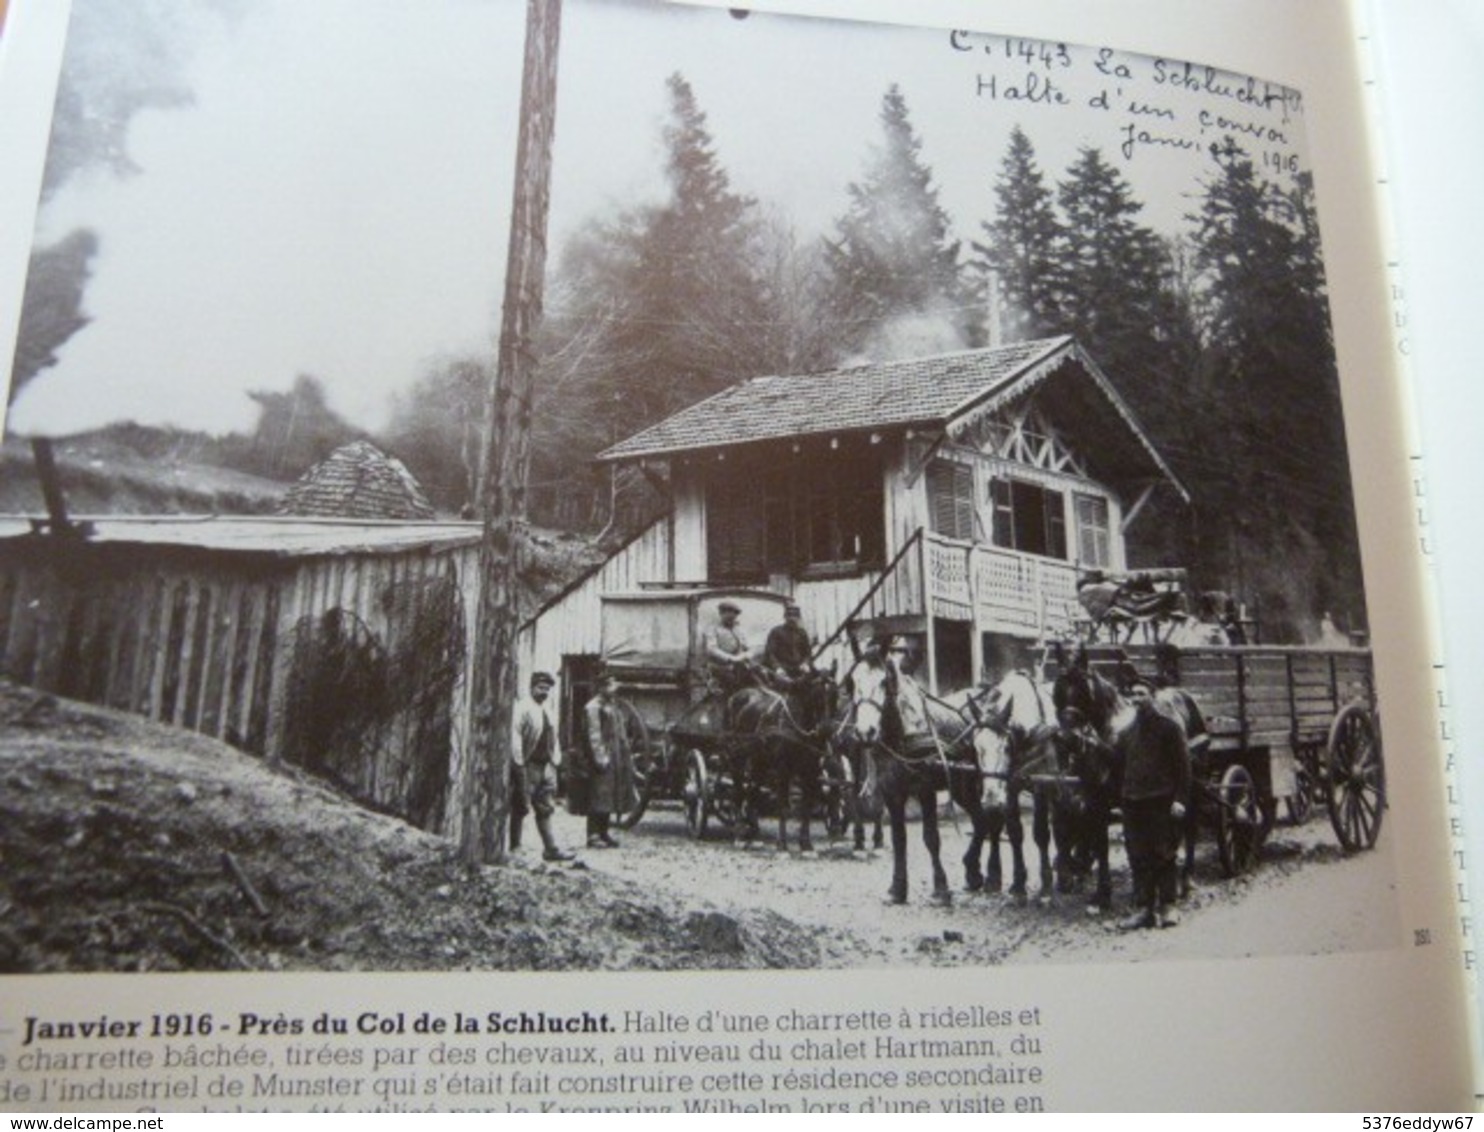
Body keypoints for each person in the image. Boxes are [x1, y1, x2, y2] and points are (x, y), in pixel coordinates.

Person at [1117, 676, 1191, 930]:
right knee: (1137, 856)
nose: (1136, 699)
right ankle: (1143, 910)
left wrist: (1180, 799)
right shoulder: (1126, 734)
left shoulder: (1169, 728)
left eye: (1141, 694)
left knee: (1163, 853)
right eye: (1133, 695)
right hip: (1133, 802)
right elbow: (1116, 766)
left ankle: (1168, 906)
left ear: (1152, 697)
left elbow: (1184, 767)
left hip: (1160, 801)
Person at [510, 671, 575, 862]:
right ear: (531, 688)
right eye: (540, 688)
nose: (543, 692)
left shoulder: (548, 710)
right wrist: (519, 764)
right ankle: (515, 846)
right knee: (520, 805)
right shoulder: (522, 708)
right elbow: (515, 738)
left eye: (547, 689)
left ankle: (550, 849)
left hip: (546, 765)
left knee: (545, 807)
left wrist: (555, 761)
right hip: (528, 765)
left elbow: (553, 737)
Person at [582, 670, 639, 849]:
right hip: (602, 756)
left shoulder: (612, 705)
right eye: (610, 684)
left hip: (615, 756)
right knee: (599, 794)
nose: (614, 688)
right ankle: (593, 834)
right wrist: (600, 758)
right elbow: (594, 735)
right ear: (601, 687)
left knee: (610, 795)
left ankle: (604, 832)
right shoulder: (593, 707)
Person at [701, 600, 753, 695]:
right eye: (728, 616)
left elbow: (747, 648)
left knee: (758, 677)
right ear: (721, 614)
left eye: (734, 616)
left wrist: (747, 655)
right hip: (719, 667)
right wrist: (731, 658)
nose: (732, 619)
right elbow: (711, 649)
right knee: (733, 684)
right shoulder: (712, 629)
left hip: (739, 667)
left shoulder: (739, 630)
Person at [764, 602, 813, 685]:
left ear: (798, 618)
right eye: (789, 616)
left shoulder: (802, 633)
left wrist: (805, 663)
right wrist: (777, 668)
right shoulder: (776, 632)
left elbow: (808, 653)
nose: (792, 618)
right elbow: (770, 653)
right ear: (785, 617)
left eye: (795, 616)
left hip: (799, 669)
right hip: (782, 670)